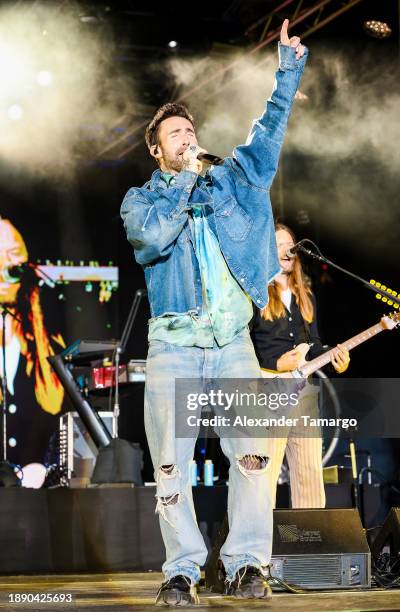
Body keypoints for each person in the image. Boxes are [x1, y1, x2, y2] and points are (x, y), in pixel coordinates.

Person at [121, 20, 307, 605]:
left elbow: (268, 135)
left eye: (190, 129)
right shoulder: (144, 199)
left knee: (252, 460)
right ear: (157, 150)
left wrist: (289, 72)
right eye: (174, 134)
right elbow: (151, 242)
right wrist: (181, 183)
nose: (186, 136)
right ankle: (181, 569)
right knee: (171, 469)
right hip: (173, 345)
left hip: (232, 344)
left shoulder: (232, 181)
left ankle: (248, 564)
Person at [250, 223, 350, 509]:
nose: (287, 249)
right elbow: (240, 347)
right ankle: (257, 549)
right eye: (278, 244)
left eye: (290, 244)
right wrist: (276, 362)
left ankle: (311, 544)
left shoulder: (306, 297)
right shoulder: (253, 296)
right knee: (264, 477)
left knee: (309, 475)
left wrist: (335, 360)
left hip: (304, 394)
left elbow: (314, 346)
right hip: (267, 391)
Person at [0, 218, 65, 466]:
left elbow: (55, 406)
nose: (5, 264)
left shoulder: (47, 342)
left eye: (12, 254)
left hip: (33, 490)